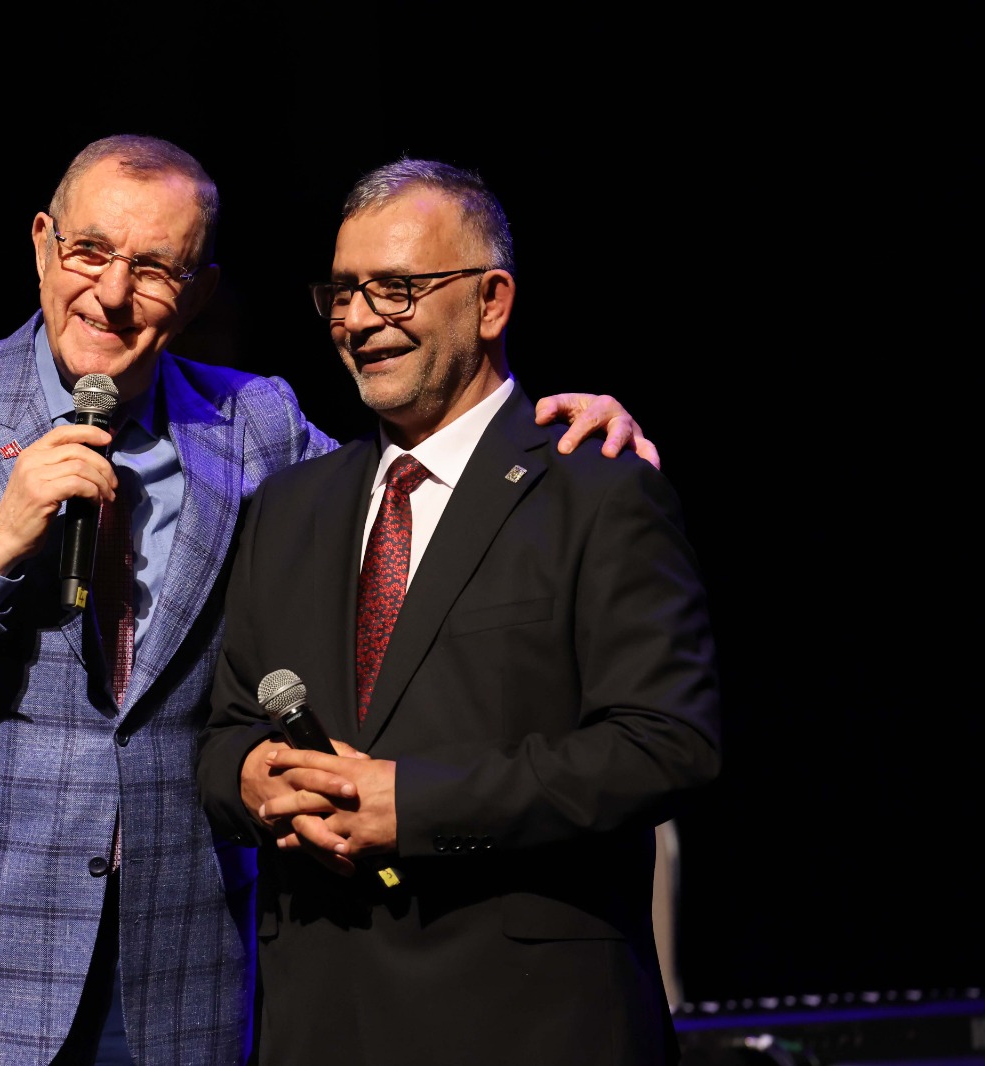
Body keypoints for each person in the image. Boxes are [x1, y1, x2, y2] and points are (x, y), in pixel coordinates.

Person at [0, 134, 660, 1066]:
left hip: (175, 968)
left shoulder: (256, 424)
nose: (111, 293)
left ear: (198, 292)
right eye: (89, 251)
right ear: (43, 244)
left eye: (153, 268)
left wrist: (548, 437)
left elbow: (423, 490)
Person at [195, 157, 722, 1065]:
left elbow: (667, 745)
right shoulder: (289, 507)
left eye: (396, 289)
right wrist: (250, 778)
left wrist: (415, 804)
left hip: (531, 1025)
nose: (360, 320)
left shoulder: (595, 486)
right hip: (322, 1024)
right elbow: (223, 733)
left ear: (491, 301)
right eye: (343, 292)